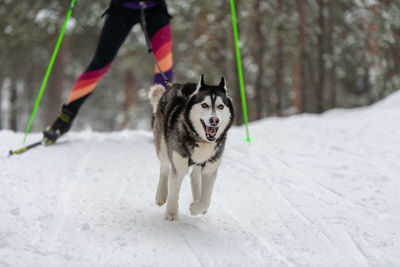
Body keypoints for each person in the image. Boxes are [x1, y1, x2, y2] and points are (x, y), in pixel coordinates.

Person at [43, 0, 173, 143]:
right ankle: (65, 117)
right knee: (100, 64)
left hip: (154, 10)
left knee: (164, 63)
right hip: (121, 10)